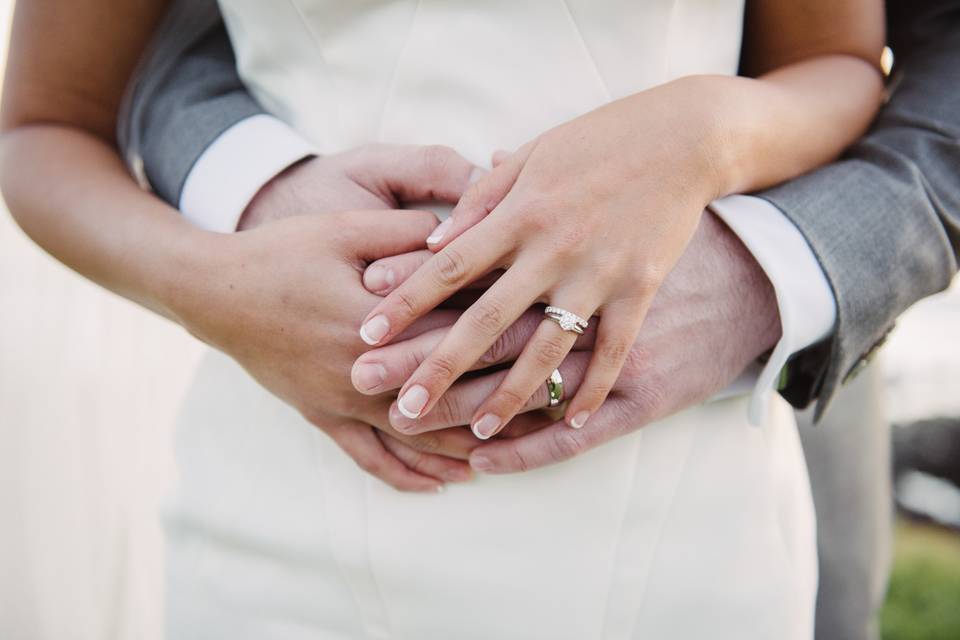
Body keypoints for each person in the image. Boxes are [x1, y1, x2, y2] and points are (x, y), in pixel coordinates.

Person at [0, 1, 911, 638]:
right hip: (286, 521)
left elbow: (837, 65)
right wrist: (214, 288)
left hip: (684, 516)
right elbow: (44, 123)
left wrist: (702, 134)